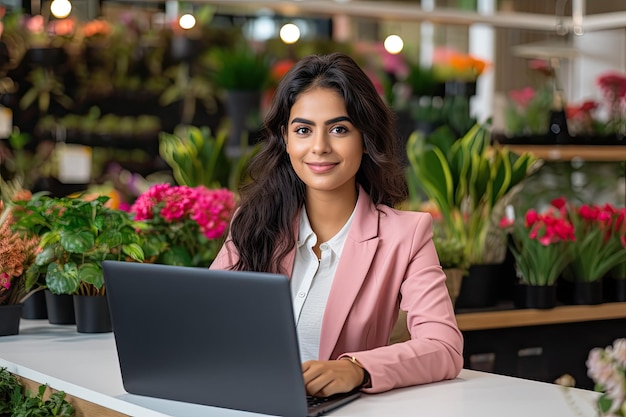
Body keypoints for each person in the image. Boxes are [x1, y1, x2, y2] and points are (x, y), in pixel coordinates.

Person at [210, 52, 463, 397]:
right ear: (285, 138)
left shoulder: (406, 235)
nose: (319, 147)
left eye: (339, 129)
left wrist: (356, 369)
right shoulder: (251, 223)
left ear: (365, 136)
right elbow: (205, 322)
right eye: (303, 130)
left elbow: (443, 347)